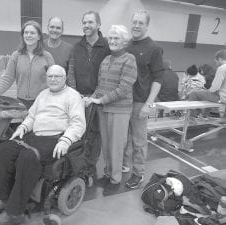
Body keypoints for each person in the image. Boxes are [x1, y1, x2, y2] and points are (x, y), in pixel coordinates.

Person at [0, 65, 86, 225]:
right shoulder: (43, 94)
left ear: (64, 78)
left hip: (55, 138)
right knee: (3, 149)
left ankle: (15, 212)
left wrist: (66, 140)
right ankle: (3, 199)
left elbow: (78, 124)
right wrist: (23, 127)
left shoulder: (73, 96)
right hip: (34, 135)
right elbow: (31, 116)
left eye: (57, 76)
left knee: (26, 157)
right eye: (50, 76)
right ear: (46, 78)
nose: (53, 79)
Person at [85, 25, 137, 195]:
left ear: (124, 41)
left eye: (117, 38)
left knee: (116, 147)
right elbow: (101, 86)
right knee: (106, 146)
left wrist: (100, 100)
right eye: (111, 38)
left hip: (119, 111)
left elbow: (123, 89)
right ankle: (107, 174)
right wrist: (91, 98)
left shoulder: (129, 59)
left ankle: (115, 179)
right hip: (103, 109)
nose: (113, 41)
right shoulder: (106, 60)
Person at [123, 10, 165, 189]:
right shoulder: (126, 45)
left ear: (147, 26)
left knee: (138, 141)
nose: (137, 26)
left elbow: (158, 78)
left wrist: (149, 104)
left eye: (141, 23)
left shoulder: (154, 48)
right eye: (135, 22)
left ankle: (138, 173)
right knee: (123, 138)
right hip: (123, 101)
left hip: (140, 102)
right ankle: (124, 165)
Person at [67, 10, 110, 179]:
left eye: (90, 22)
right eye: (84, 22)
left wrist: (94, 96)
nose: (87, 25)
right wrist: (76, 94)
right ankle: (78, 165)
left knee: (94, 135)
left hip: (97, 99)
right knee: (78, 132)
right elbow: (70, 71)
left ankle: (90, 168)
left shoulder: (106, 46)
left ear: (98, 25)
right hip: (78, 98)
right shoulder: (76, 47)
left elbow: (106, 75)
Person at [0, 20, 54, 109]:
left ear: (39, 36)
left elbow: (54, 80)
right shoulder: (16, 56)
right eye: (26, 33)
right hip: (22, 103)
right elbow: (7, 79)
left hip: (42, 102)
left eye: (32, 33)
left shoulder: (47, 57)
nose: (28, 35)